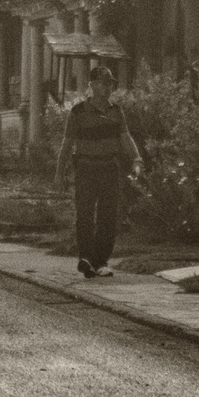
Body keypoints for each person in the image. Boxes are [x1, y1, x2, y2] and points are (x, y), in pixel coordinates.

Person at [54, 64, 142, 278]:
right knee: (84, 215)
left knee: (108, 216)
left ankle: (101, 261)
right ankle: (86, 258)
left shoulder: (115, 111)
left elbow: (125, 138)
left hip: (109, 168)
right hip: (85, 168)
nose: (108, 88)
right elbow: (67, 145)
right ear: (92, 85)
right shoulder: (78, 112)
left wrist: (137, 160)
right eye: (104, 83)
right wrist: (59, 173)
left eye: (110, 84)